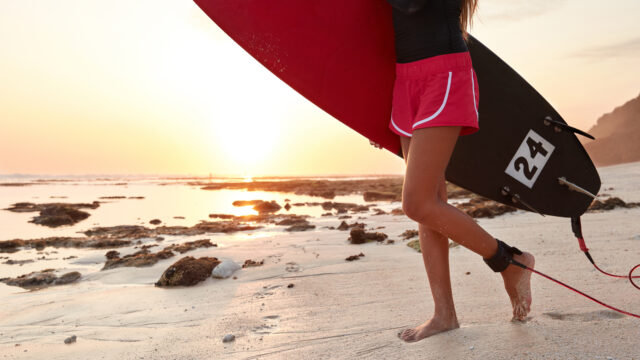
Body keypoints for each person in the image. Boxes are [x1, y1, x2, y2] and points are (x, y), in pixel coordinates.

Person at [377, 0, 536, 343]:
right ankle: (444, 313)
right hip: (406, 77)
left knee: (417, 203)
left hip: (444, 75)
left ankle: (509, 261)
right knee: (430, 205)